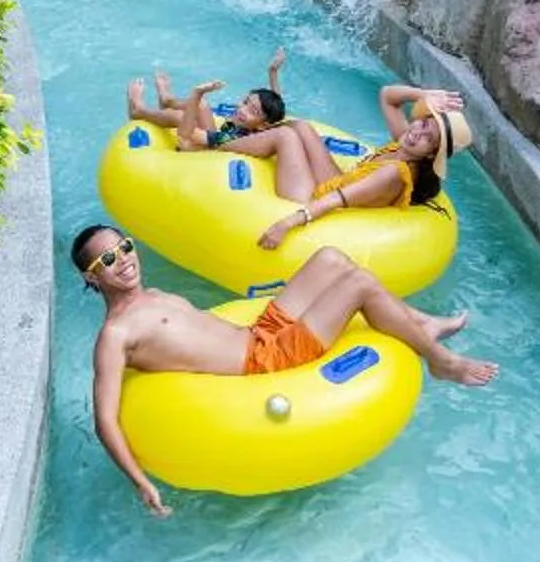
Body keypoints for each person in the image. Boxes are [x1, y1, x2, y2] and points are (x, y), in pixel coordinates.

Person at [75, 224, 496, 515]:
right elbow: (105, 419)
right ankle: (442, 362)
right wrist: (141, 482)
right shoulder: (116, 335)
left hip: (258, 331)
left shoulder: (155, 294)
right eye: (108, 259)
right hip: (266, 361)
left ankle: (424, 323)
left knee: (330, 258)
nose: (124, 259)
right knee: (360, 284)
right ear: (91, 278)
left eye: (125, 246)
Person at [231, 83, 470, 250]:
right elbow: (388, 96)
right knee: (301, 127)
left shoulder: (395, 172)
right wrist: (424, 94)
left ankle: (218, 143)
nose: (417, 133)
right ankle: (251, 130)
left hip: (312, 198)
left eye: (428, 138)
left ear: (431, 154)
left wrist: (287, 223)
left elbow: (337, 199)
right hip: (338, 180)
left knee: (285, 137)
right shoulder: (405, 143)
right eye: (424, 124)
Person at [125, 47, 285, 150]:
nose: (243, 110)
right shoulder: (260, 127)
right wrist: (273, 72)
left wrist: (197, 93)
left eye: (253, 111)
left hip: (202, 153)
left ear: (263, 125)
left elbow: (185, 137)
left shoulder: (231, 138)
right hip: (213, 141)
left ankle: (138, 111)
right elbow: (276, 112)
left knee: (179, 117)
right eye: (245, 103)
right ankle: (168, 101)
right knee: (201, 105)